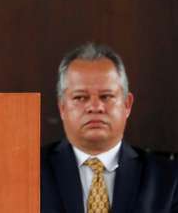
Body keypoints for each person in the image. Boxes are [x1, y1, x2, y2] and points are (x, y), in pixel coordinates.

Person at [42, 43, 178, 212]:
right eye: (80, 97)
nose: (95, 107)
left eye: (106, 96)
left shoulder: (168, 179)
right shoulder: (30, 172)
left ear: (127, 105)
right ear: (62, 107)